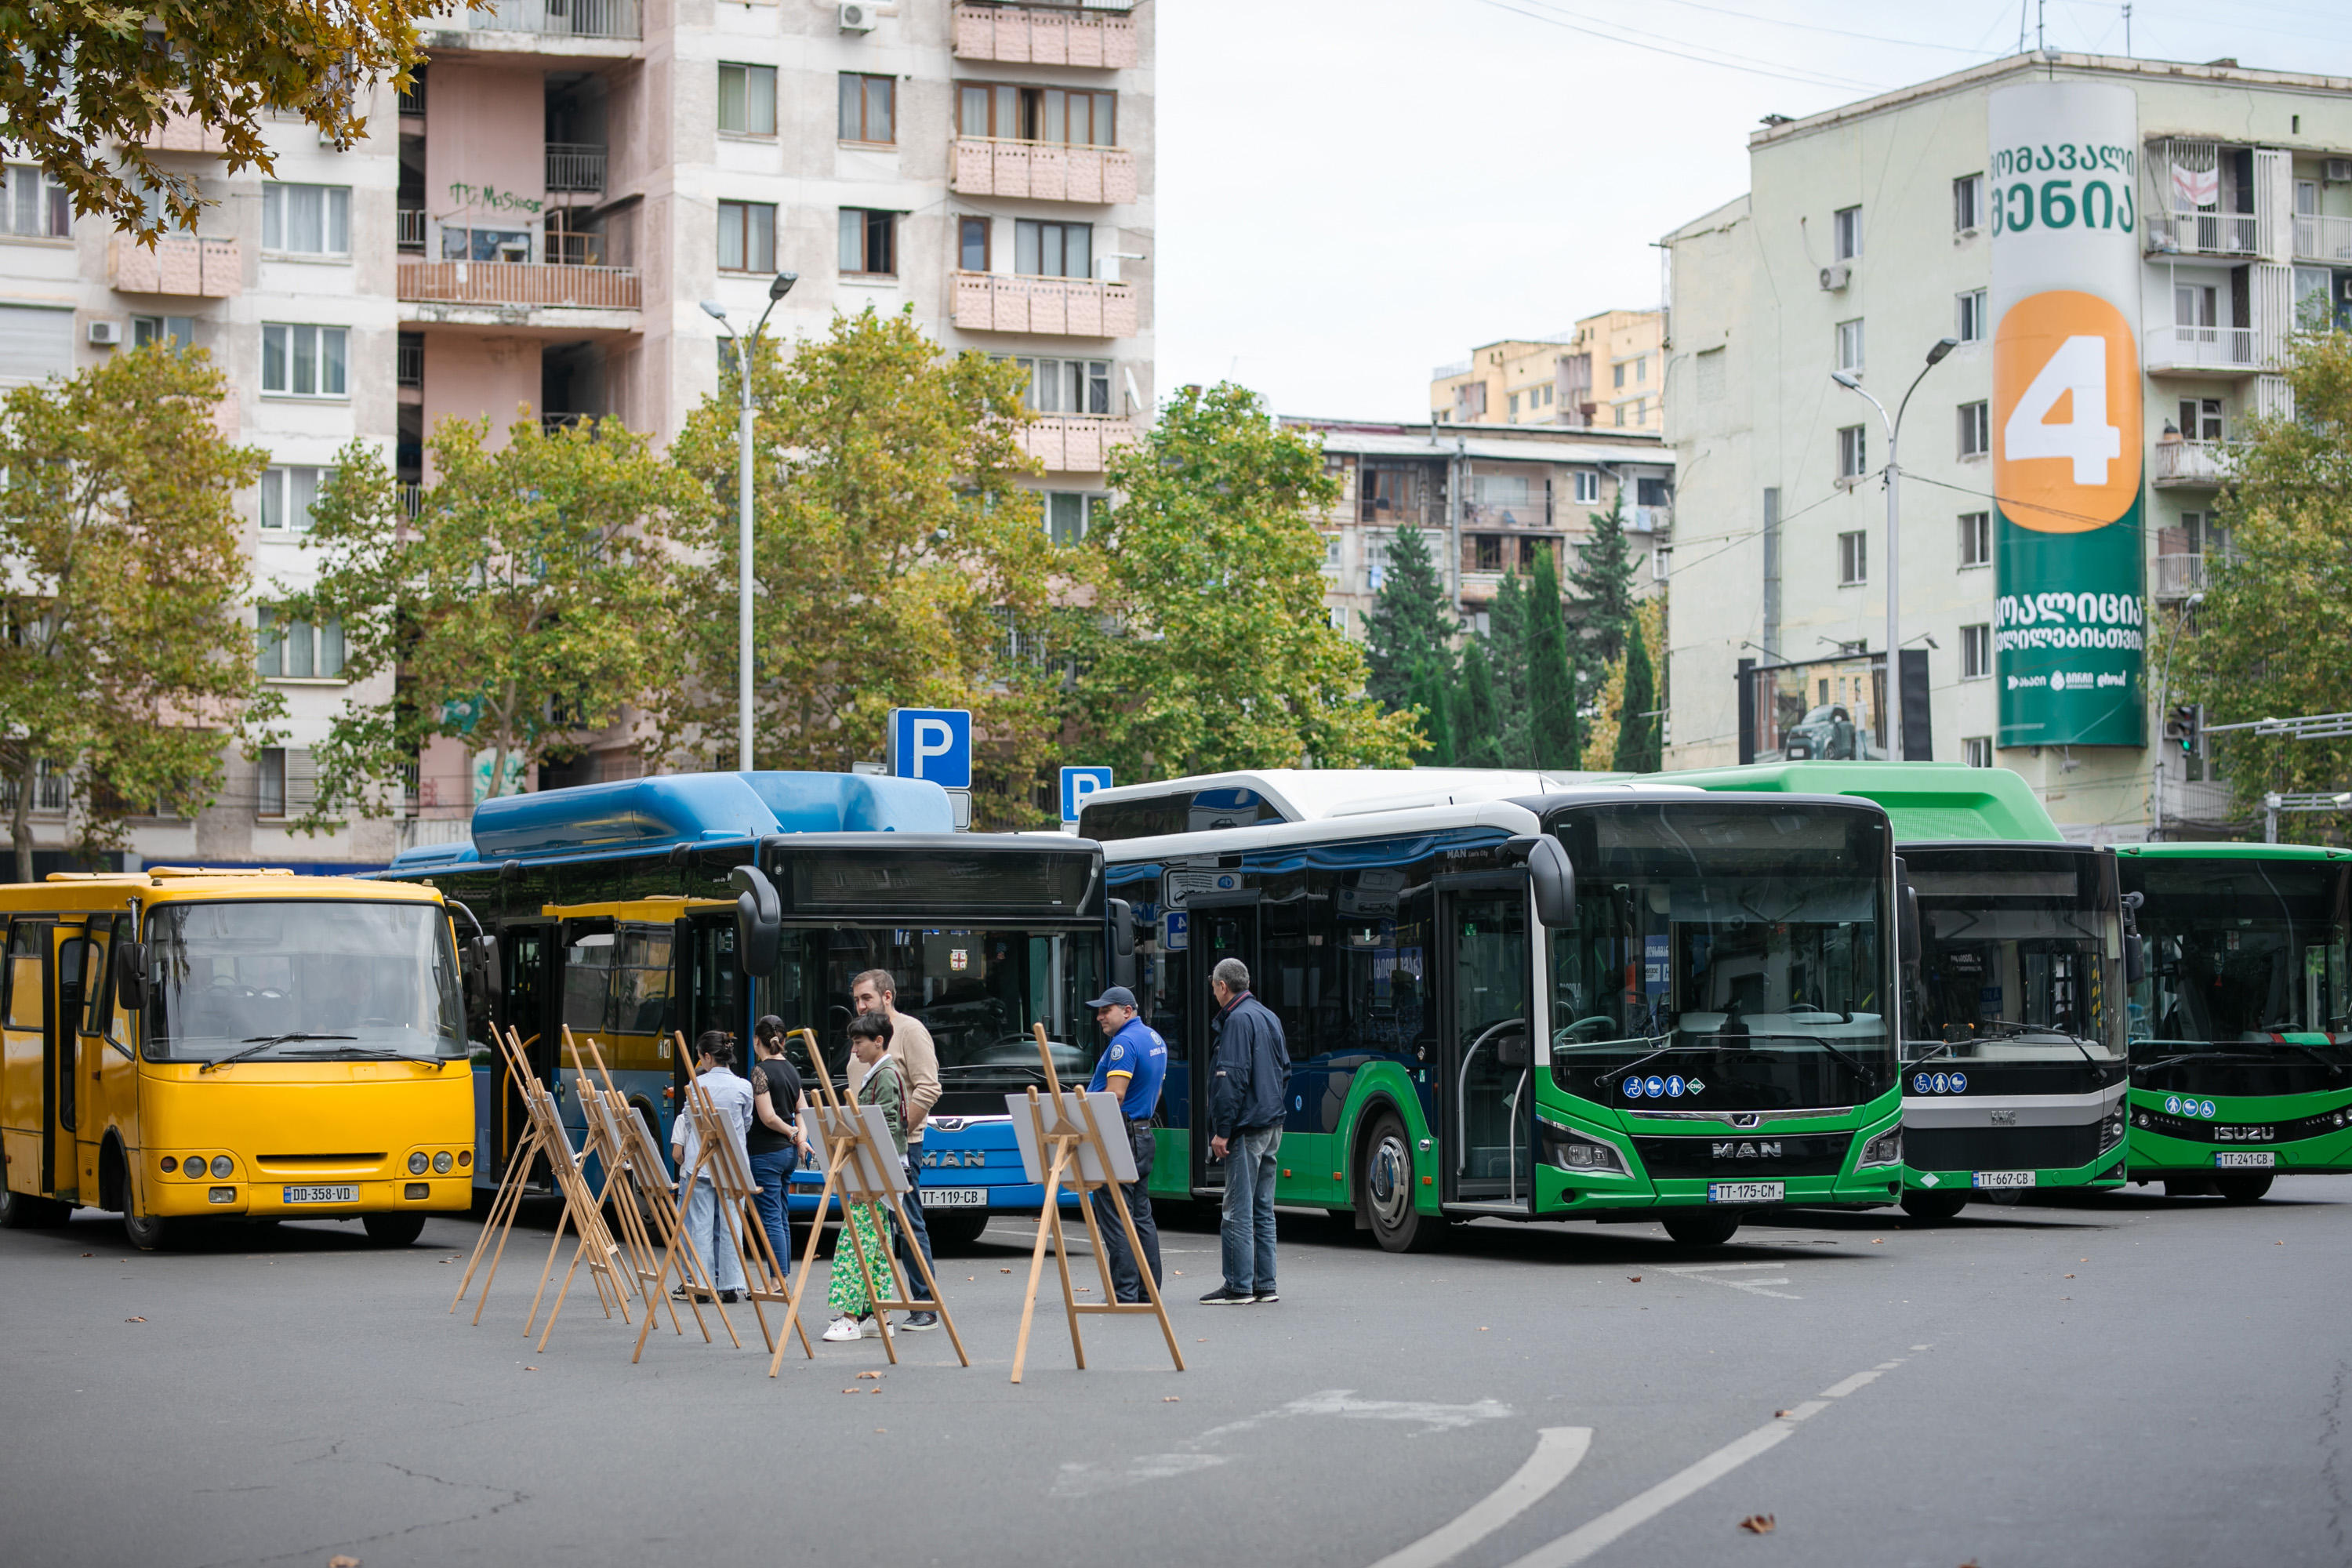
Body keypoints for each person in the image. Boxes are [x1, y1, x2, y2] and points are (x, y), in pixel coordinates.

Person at [851, 967, 942, 1330]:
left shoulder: (910, 1031)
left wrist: (899, 1133)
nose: (860, 1005)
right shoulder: (865, 1036)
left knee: (906, 1224)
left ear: (887, 997)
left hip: (901, 1146)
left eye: (866, 998)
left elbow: (929, 1087)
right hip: (867, 1146)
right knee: (873, 1227)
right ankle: (871, 1306)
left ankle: (925, 1305)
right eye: (856, 999)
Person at [1201, 957, 1289, 1306]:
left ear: (1223, 987)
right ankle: (1266, 1284)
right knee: (1263, 1208)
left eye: (1214, 986)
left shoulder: (1236, 1020)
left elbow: (1230, 1078)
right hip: (1272, 1123)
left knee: (1236, 1209)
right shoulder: (1268, 1016)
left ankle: (1238, 1285)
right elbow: (1285, 1070)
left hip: (1246, 1127)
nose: (1214, 992)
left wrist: (1222, 1131)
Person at [1082, 985, 1167, 1304]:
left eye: (1107, 1010)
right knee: (1140, 1216)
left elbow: (1114, 1095)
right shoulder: (1153, 1038)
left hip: (1120, 1134)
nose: (1100, 1017)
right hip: (1142, 1132)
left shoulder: (1124, 1043)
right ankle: (1148, 1291)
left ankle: (1124, 1292)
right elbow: (1156, 1090)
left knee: (1117, 1217)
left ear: (1127, 1011)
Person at [826, 1010, 905, 1343]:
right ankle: (879, 1316)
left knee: (853, 1246)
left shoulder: (885, 1075)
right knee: (874, 1249)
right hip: (879, 1173)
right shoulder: (881, 1072)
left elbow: (885, 1131)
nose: (854, 1050)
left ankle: (849, 1318)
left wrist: (866, 1180)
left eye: (858, 1043)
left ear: (879, 1041)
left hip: (876, 1175)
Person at [670, 1030, 754, 1305]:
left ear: (707, 1056)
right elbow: (747, 1122)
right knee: (731, 1225)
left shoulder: (695, 1086)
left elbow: (691, 1122)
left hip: (701, 1161)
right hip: (732, 1163)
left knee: (702, 1226)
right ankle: (730, 1284)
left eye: (701, 1057)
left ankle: (702, 1282)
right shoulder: (743, 1086)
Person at [747, 1015, 815, 1287]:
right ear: (784, 1041)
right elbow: (803, 1111)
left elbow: (767, 1117)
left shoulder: (759, 1071)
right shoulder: (792, 1070)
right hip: (788, 1154)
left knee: (771, 1217)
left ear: (756, 1042)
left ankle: (777, 1280)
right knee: (781, 1214)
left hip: (765, 1153)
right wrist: (800, 1139)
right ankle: (782, 1275)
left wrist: (791, 1132)